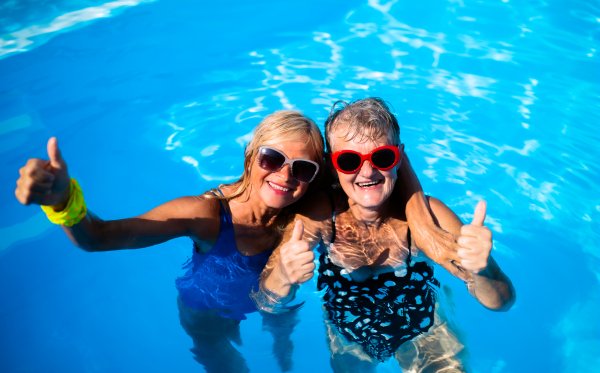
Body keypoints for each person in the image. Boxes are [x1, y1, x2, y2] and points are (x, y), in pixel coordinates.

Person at [14, 110, 326, 373]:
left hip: (269, 303)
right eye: (272, 159)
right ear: (249, 158)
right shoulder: (205, 215)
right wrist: (62, 201)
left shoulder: (302, 211)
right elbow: (99, 237)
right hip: (208, 316)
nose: (286, 176)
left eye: (302, 169)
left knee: (285, 354)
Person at [253, 98, 516, 372]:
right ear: (333, 165)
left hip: (425, 330)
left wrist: (482, 271)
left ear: (399, 157)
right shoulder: (320, 216)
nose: (367, 171)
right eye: (349, 160)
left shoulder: (432, 216)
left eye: (382, 157)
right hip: (347, 332)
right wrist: (283, 275)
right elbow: (266, 302)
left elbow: (502, 303)